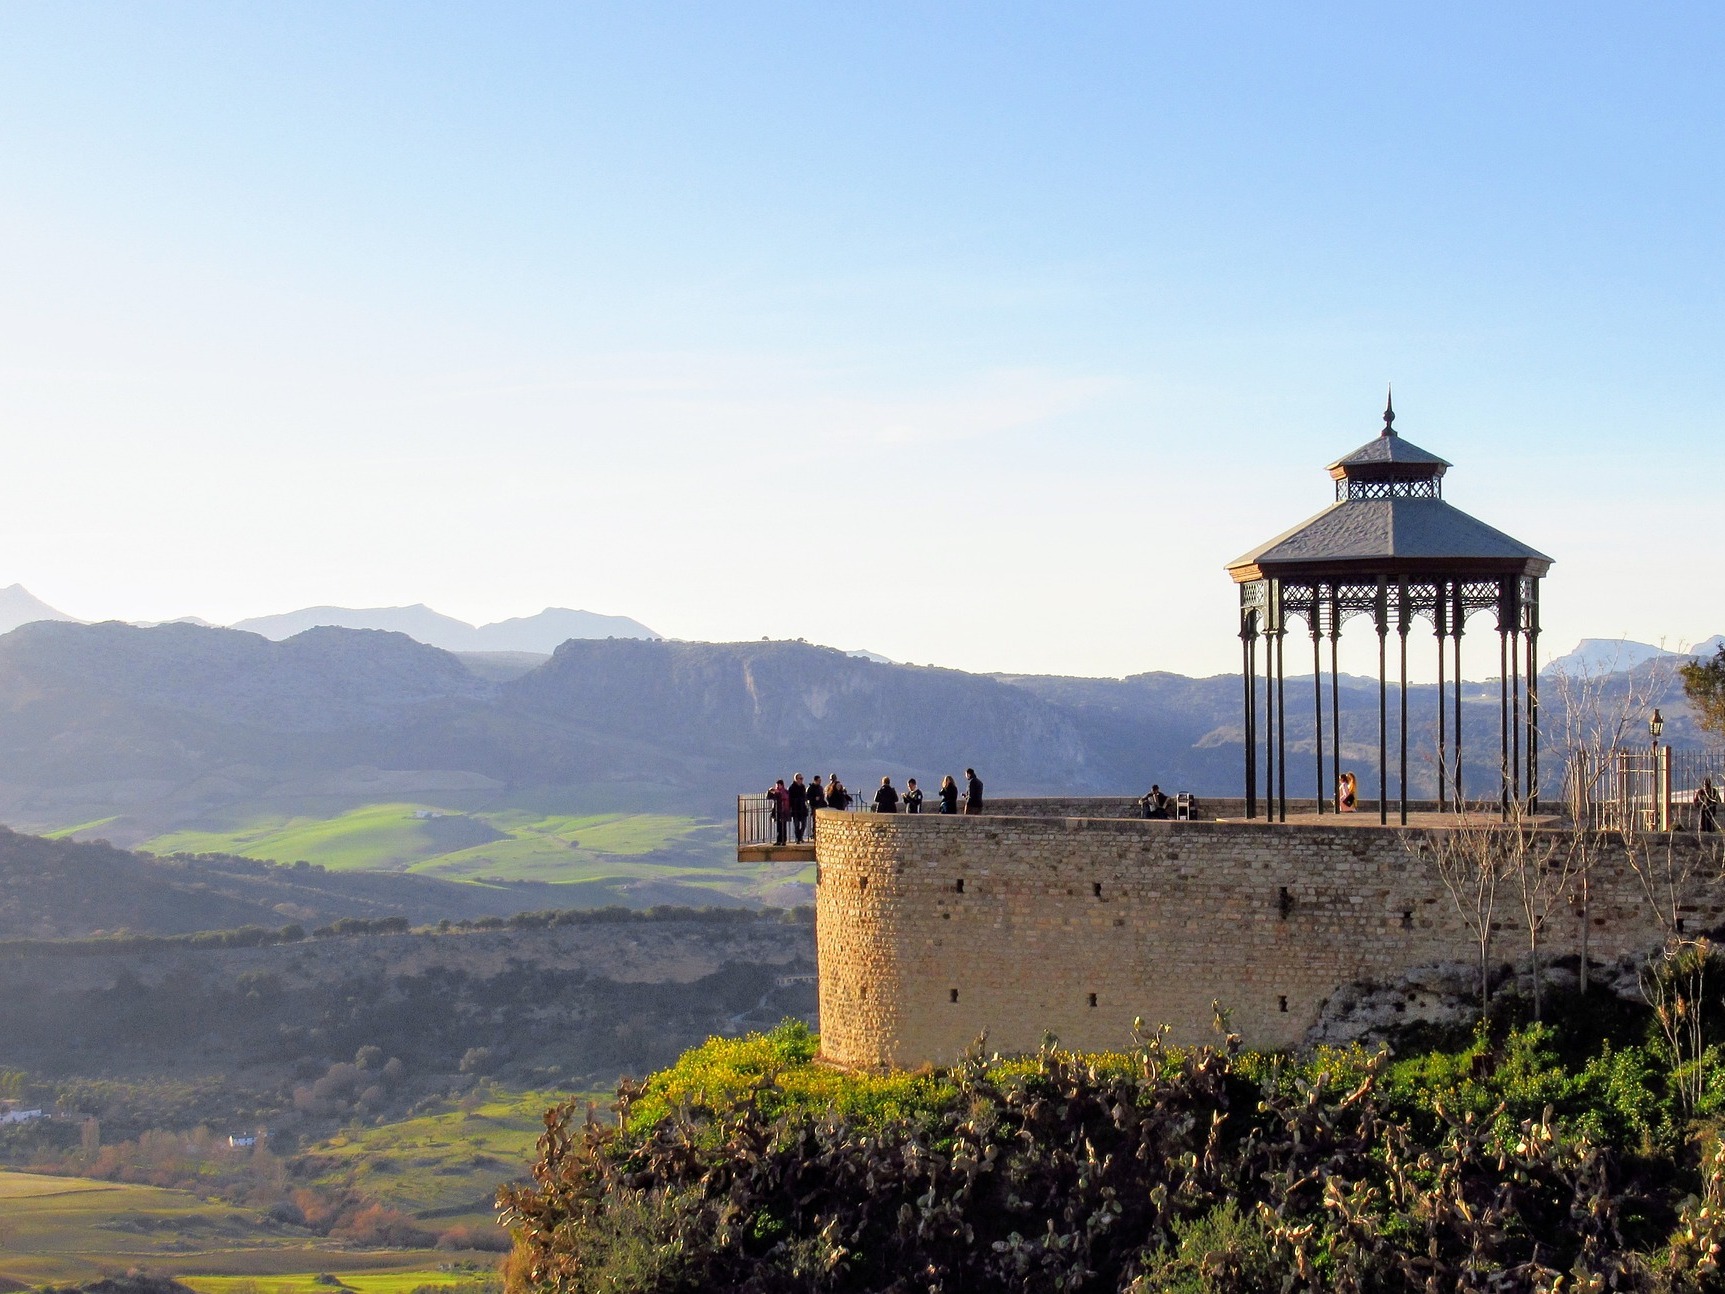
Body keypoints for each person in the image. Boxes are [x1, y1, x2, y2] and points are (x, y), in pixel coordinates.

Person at [767, 778, 791, 845]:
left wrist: (779, 793)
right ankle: (779, 840)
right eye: (776, 785)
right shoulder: (776, 793)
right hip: (778, 811)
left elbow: (785, 798)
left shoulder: (785, 792)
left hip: (784, 811)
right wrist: (770, 791)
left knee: (783, 827)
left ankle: (783, 840)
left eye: (778, 785)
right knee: (778, 827)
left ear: (781, 785)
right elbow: (769, 797)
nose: (777, 787)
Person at [788, 772, 809, 843]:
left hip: (802, 808)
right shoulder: (791, 788)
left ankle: (800, 836)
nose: (801, 780)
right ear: (796, 779)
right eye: (800, 778)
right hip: (795, 809)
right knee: (796, 825)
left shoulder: (803, 787)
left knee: (804, 825)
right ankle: (798, 838)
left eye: (802, 778)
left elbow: (805, 796)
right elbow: (790, 799)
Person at [806, 773, 827, 838]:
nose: (820, 782)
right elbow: (808, 797)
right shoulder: (811, 788)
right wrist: (814, 798)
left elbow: (822, 796)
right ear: (815, 781)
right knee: (814, 820)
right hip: (814, 806)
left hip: (820, 806)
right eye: (819, 781)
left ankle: (818, 832)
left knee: (819, 820)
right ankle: (814, 833)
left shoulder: (820, 788)